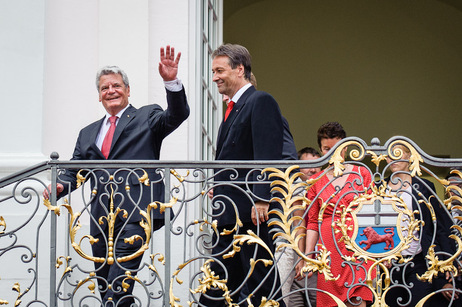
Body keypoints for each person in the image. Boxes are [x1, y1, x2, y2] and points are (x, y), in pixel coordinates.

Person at [43, 46, 189, 306]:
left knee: (118, 283)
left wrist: (171, 82)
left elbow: (176, 115)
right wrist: (59, 187)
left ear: (128, 90)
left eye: (116, 85)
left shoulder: (146, 116)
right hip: (100, 218)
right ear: (99, 96)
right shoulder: (87, 133)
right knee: (105, 284)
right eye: (104, 88)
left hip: (137, 212)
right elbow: (75, 171)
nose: (110, 90)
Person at [199, 43, 285, 306]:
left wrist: (262, 198)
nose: (214, 77)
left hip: (249, 212)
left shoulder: (260, 101)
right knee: (221, 281)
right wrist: (220, 185)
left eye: (219, 70)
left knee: (260, 280)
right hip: (229, 211)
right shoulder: (234, 108)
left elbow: (267, 153)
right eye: (213, 71)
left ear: (239, 69)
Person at [297, 122, 373, 307]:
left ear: (345, 147)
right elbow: (313, 222)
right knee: (330, 302)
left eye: (337, 148)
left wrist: (379, 253)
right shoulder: (315, 181)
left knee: (357, 299)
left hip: (358, 246)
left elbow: (372, 213)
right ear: (321, 150)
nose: (332, 153)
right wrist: (308, 257)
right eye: (326, 149)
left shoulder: (362, 173)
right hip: (328, 252)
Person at [384, 145, 456, 307]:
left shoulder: (424, 187)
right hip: (387, 263)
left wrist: (447, 262)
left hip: (419, 260)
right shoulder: (379, 187)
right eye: (389, 155)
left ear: (409, 156)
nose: (392, 158)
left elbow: (440, 226)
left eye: (398, 153)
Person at [290, 147, 321, 307]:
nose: (313, 169)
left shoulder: (326, 190)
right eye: (308, 164)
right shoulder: (290, 190)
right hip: (293, 264)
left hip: (319, 263)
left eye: (317, 163)